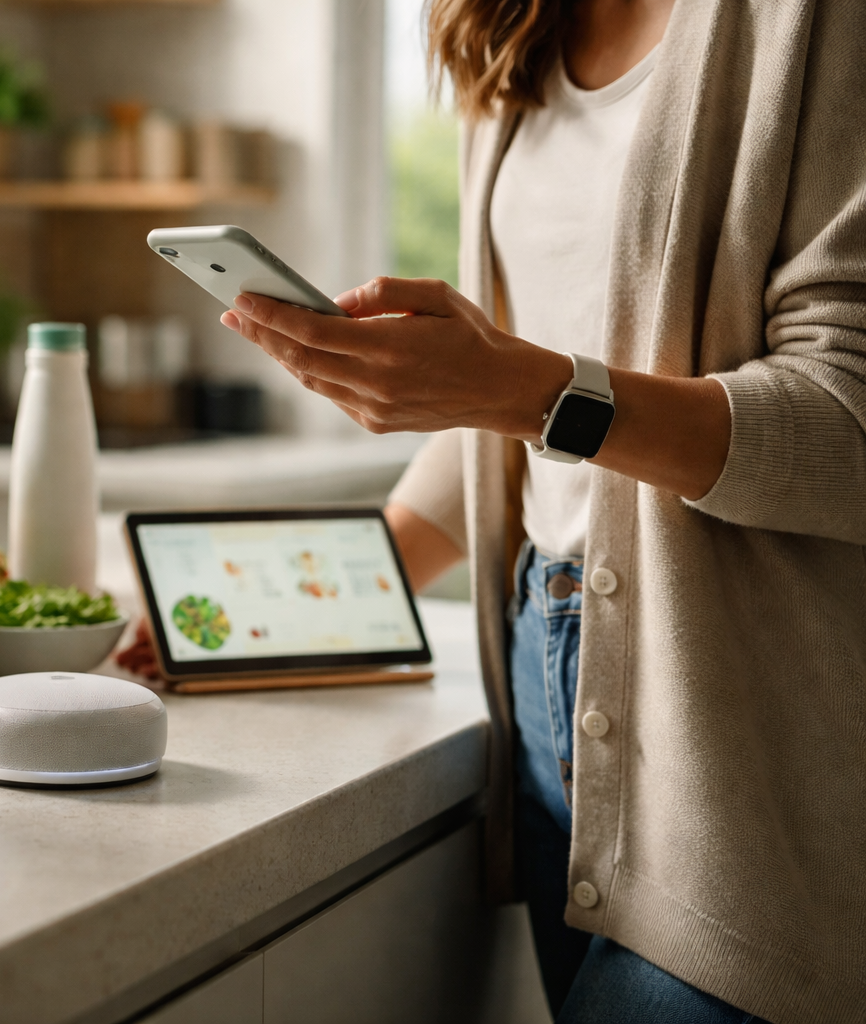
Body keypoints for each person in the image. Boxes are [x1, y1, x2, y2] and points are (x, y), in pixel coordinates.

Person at [209, 1, 866, 1020]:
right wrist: (276, 609)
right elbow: (528, 418)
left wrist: (510, 388)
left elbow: (845, 418)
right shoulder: (512, 32)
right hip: (542, 670)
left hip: (731, 718)